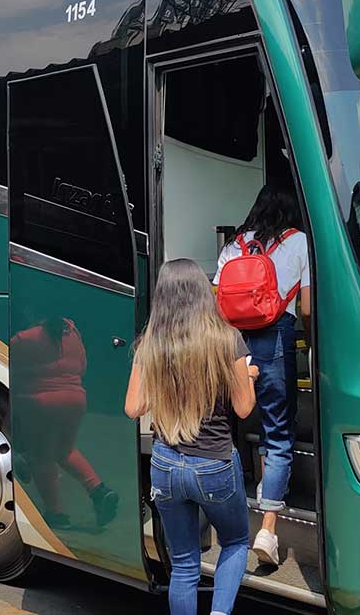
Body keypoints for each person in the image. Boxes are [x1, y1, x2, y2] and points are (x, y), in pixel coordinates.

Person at [125, 259, 258, 615]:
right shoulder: (226, 339)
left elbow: (133, 406)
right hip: (213, 463)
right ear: (203, 293)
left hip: (166, 464)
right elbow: (244, 409)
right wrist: (248, 376)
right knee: (236, 542)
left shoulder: (150, 345)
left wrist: (165, 382)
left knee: (184, 564)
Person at [213, 184, 311, 568]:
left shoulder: (234, 245)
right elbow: (306, 308)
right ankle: (268, 529)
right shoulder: (299, 242)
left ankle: (229, 521)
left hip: (232, 341)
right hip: (276, 340)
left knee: (228, 427)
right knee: (278, 432)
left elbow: (216, 298)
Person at [10, 317, 119, 529]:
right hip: (76, 399)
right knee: (64, 450)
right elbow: (83, 366)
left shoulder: (26, 337)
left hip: (42, 402)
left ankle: (55, 513)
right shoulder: (72, 333)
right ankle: (99, 491)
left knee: (42, 457)